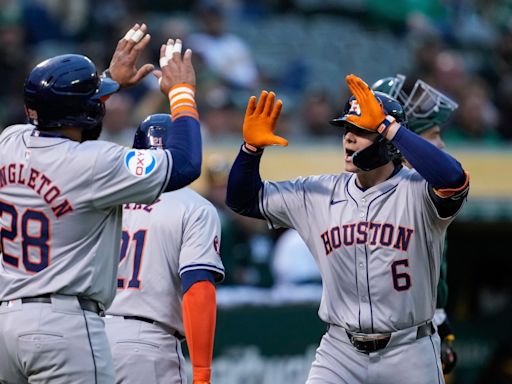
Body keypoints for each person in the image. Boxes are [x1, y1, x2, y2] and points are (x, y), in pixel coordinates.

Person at [225, 74, 470, 384]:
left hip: (408, 350)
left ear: (387, 141)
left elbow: (455, 179)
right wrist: (249, 151)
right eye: (347, 129)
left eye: (361, 130)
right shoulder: (317, 192)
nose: (348, 138)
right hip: (340, 351)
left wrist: (389, 127)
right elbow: (242, 200)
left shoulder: (418, 191)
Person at [0, 24, 202, 383]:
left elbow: (56, 117)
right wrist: (182, 93)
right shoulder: (95, 163)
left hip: (7, 323)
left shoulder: (9, 142)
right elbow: (185, 164)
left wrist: (109, 80)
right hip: (64, 326)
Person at [104, 113, 225, 384]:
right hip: (148, 345)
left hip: (91, 338)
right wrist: (202, 373)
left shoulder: (107, 198)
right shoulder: (195, 206)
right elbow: (198, 288)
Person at [372, 74, 459, 375]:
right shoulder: (367, 194)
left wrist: (439, 316)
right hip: (380, 339)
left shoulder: (426, 189)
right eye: (433, 135)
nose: (441, 143)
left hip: (419, 331)